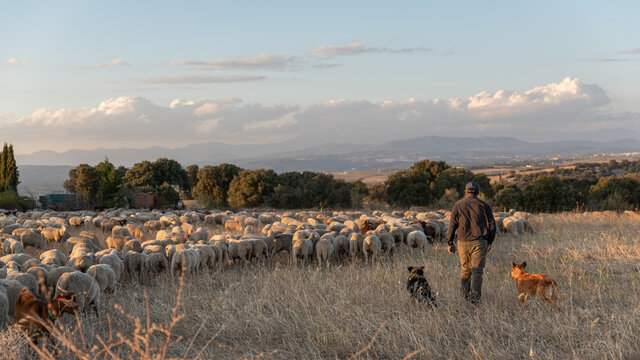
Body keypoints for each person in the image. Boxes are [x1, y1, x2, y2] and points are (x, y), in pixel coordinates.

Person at [446, 181, 496, 304]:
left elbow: (452, 224)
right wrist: (490, 241)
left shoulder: (458, 205)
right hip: (479, 242)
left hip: (462, 241)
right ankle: (475, 301)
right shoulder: (484, 205)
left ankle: (465, 297)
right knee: (477, 271)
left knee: (465, 269)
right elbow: (492, 225)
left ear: (465, 192)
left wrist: (450, 242)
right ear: (478, 192)